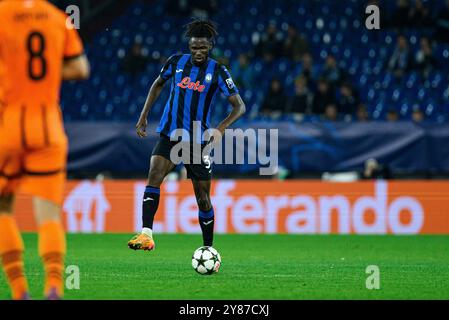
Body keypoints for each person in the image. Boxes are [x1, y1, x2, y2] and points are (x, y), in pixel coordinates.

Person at [128, 19, 245, 252]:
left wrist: (221, 127)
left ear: (210, 46)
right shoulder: (175, 62)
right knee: (154, 175)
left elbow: (239, 106)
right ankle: (146, 234)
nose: (198, 52)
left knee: (202, 198)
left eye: (202, 48)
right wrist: (144, 115)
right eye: (194, 48)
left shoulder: (219, 71)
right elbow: (157, 85)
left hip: (197, 142)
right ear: (189, 47)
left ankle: (208, 248)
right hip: (170, 134)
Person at [0, 0, 89, 300]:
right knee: (49, 216)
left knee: (2, 210)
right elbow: (80, 68)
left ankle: (19, 291)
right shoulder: (58, 18)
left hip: (9, 124)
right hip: (49, 126)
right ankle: (54, 286)